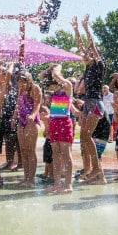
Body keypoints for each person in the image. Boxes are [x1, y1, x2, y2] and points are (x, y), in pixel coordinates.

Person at [71, 14, 107, 185]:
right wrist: (76, 29)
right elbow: (81, 46)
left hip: (96, 104)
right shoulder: (88, 68)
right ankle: (96, 170)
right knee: (84, 138)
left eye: (89, 54)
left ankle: (96, 169)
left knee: (86, 135)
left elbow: (91, 45)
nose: (85, 55)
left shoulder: (99, 66)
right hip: (88, 104)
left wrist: (85, 28)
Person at [40, 64, 77, 194]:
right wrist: (49, 69)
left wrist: (56, 67)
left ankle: (68, 184)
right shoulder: (55, 91)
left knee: (66, 154)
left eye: (51, 85)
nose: (50, 88)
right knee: (56, 155)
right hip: (54, 123)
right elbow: (41, 76)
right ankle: (57, 184)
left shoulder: (67, 87)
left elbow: (55, 75)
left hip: (64, 123)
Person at [13, 70, 42, 188]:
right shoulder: (21, 90)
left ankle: (31, 180)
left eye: (22, 83)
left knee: (31, 150)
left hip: (32, 120)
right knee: (23, 150)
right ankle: (25, 178)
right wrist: (14, 117)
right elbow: (18, 105)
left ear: (28, 80)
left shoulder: (35, 88)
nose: (21, 85)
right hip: (21, 120)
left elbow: (38, 104)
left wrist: (33, 115)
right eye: (19, 83)